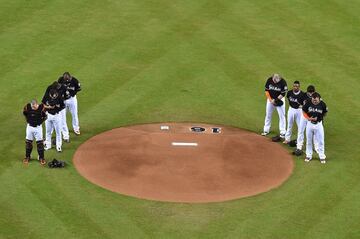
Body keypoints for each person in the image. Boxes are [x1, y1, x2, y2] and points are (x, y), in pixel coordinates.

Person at [302, 92, 328, 163]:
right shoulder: (308, 103)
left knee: (321, 140)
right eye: (313, 100)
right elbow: (304, 111)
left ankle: (322, 155)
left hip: (319, 125)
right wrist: (309, 118)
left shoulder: (323, 104)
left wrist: (320, 117)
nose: (314, 101)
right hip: (310, 124)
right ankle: (309, 155)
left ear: (319, 99)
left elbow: (325, 113)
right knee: (309, 140)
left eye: (316, 100)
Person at [23, 99, 49, 165]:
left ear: (36, 104)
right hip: (29, 127)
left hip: (38, 128)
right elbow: (24, 113)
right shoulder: (28, 107)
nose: (33, 107)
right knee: (28, 143)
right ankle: (27, 157)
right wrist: (29, 120)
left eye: (34, 106)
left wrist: (40, 121)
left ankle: (41, 158)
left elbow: (45, 116)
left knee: (40, 144)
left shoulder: (41, 108)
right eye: (32, 106)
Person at [262, 73, 288, 138]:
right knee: (268, 114)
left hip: (280, 99)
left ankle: (283, 131)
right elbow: (266, 91)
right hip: (270, 99)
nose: (276, 82)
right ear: (273, 78)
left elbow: (283, 93)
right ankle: (266, 130)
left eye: (277, 81)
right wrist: (271, 100)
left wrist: (276, 100)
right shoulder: (269, 80)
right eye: (275, 80)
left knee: (282, 116)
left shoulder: (283, 82)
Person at [293, 85, 317, 156]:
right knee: (301, 130)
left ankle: (316, 147)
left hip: (312, 116)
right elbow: (298, 103)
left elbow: (320, 105)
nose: (310, 94)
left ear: (314, 92)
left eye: (312, 92)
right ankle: (299, 146)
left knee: (314, 132)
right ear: (307, 92)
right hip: (304, 116)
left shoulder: (317, 96)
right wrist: (303, 107)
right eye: (309, 92)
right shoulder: (303, 95)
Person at [42, 86, 65, 152]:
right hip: (48, 115)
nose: (54, 97)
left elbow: (63, 106)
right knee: (48, 131)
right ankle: (48, 145)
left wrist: (57, 109)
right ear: (50, 94)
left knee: (58, 132)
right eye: (53, 96)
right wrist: (49, 107)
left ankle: (59, 146)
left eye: (55, 96)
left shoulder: (59, 97)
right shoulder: (46, 96)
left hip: (57, 116)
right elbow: (43, 104)